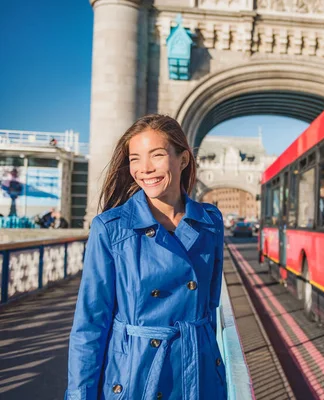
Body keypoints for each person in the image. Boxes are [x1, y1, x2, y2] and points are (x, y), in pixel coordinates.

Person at [65, 114, 226, 400]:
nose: (145, 169)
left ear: (183, 159)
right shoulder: (111, 228)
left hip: (197, 374)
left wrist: (213, 370)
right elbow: (90, 323)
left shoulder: (210, 222)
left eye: (157, 155)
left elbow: (209, 307)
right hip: (135, 375)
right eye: (135, 158)